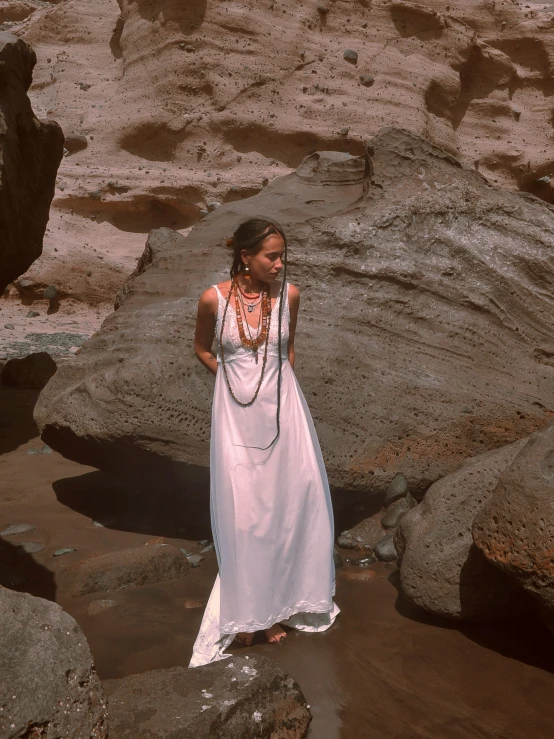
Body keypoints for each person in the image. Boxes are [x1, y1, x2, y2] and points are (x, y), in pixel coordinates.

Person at [189, 216, 339, 667]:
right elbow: (202, 349)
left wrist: (274, 388)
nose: (279, 265)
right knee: (246, 513)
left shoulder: (289, 296)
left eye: (282, 257)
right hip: (235, 416)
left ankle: (281, 607)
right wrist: (232, 384)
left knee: (292, 504)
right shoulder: (212, 299)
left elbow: (287, 353)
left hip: (284, 413)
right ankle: (251, 614)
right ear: (246, 256)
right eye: (271, 256)